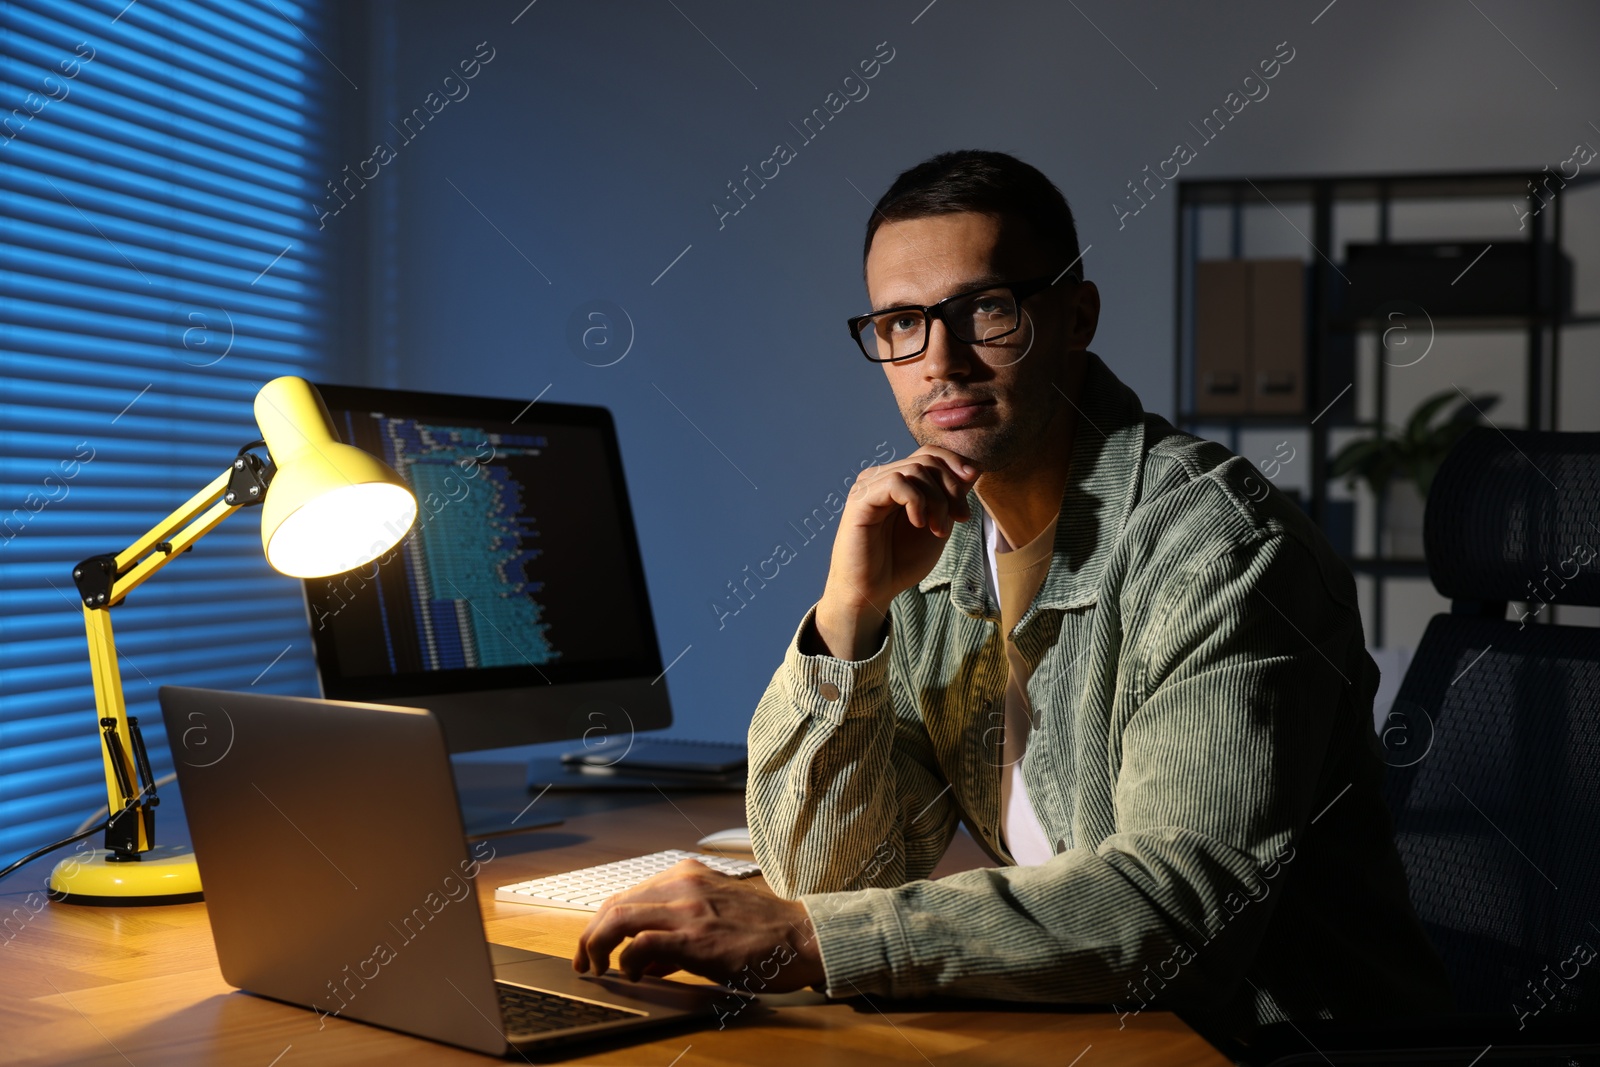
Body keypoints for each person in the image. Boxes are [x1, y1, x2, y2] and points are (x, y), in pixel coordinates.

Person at [573, 149, 1453, 1037]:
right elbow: (836, 873)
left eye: (984, 310)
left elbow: (1180, 914)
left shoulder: (1221, 552)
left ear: (1076, 316)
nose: (939, 361)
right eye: (901, 323)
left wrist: (807, 936)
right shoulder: (933, 541)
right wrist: (851, 619)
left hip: (1264, 1045)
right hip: (1090, 1027)